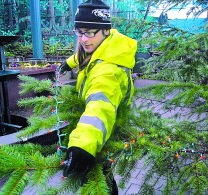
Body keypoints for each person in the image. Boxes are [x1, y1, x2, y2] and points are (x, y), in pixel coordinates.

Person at [60, 0, 137, 194]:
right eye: (79, 32)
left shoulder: (108, 70)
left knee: (98, 175)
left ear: (106, 30)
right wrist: (68, 63)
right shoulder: (105, 45)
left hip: (102, 131)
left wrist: (82, 145)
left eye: (89, 32)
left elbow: (100, 104)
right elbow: (84, 55)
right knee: (102, 174)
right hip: (97, 129)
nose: (83, 39)